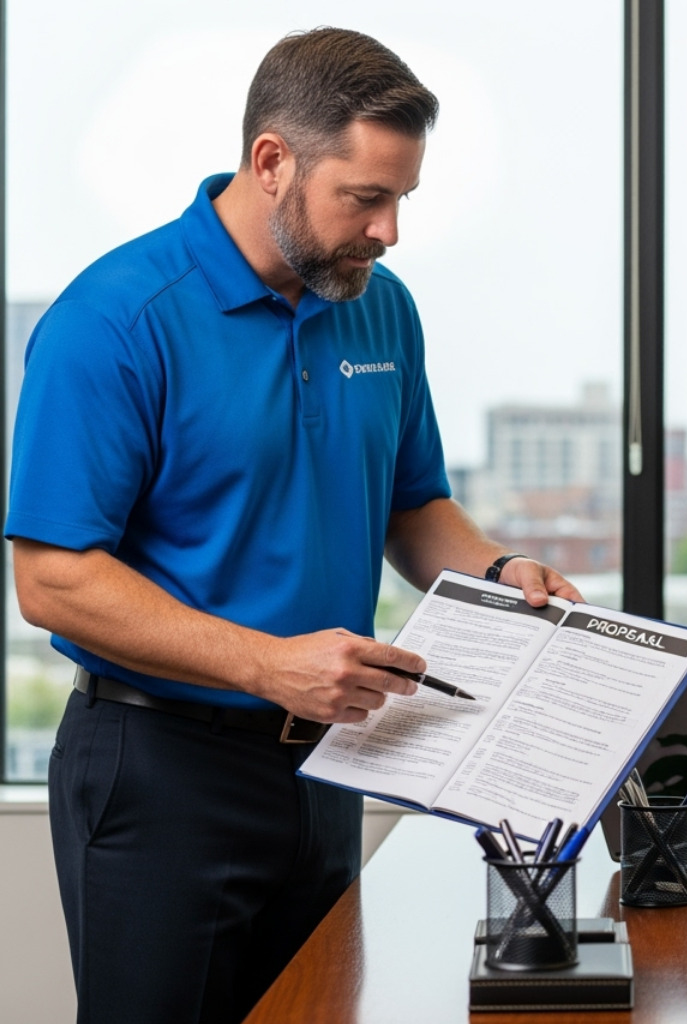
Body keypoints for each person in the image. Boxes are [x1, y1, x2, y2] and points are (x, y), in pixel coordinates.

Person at [6, 28, 580, 1024]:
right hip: (159, 770)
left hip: (329, 766)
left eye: (401, 198)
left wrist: (501, 566)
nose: (389, 229)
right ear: (272, 162)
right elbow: (52, 579)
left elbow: (413, 503)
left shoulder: (379, 308)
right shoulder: (115, 319)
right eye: (365, 197)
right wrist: (269, 665)